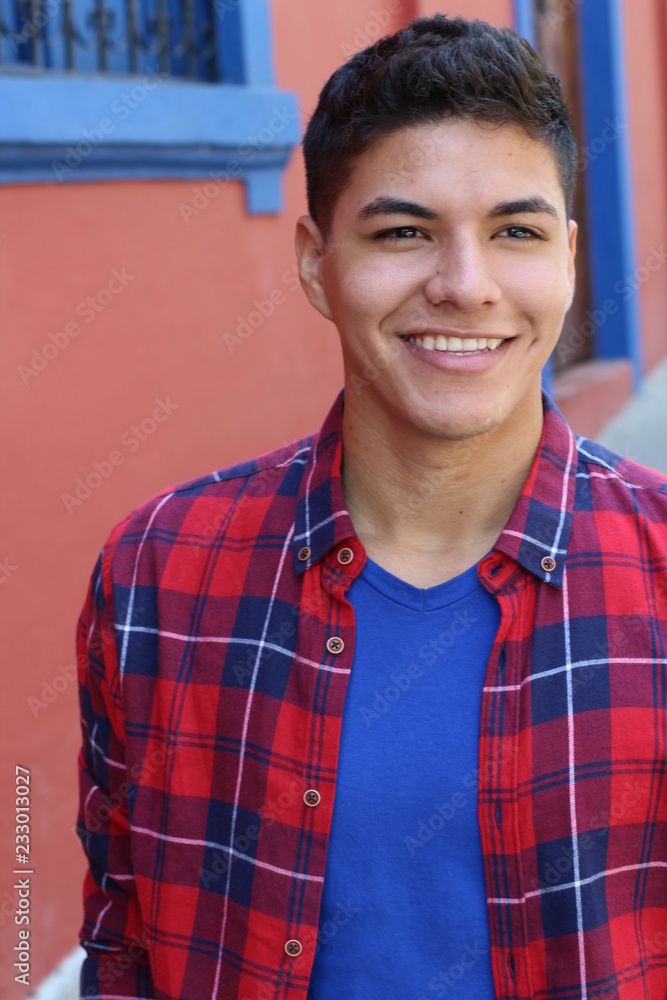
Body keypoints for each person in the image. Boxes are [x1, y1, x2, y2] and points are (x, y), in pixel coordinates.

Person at [75, 14, 667, 1000]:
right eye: (403, 232)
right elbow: (122, 943)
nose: (463, 286)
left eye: (513, 231)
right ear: (315, 263)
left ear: (566, 259)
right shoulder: (156, 577)